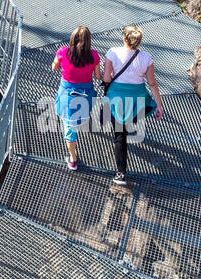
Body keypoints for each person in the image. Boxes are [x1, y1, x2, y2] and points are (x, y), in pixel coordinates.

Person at [103, 24, 163, 186]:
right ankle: (131, 120)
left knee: (119, 135)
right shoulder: (146, 58)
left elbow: (107, 79)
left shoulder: (112, 53)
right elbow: (152, 84)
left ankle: (121, 173)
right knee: (135, 113)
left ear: (124, 38)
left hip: (117, 99)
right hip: (137, 99)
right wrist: (158, 105)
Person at [50, 26, 100, 171]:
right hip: (85, 93)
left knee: (70, 128)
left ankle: (73, 159)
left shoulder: (62, 52)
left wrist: (58, 63)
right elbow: (98, 77)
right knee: (79, 117)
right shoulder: (94, 56)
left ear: (72, 39)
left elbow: (54, 67)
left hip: (68, 95)